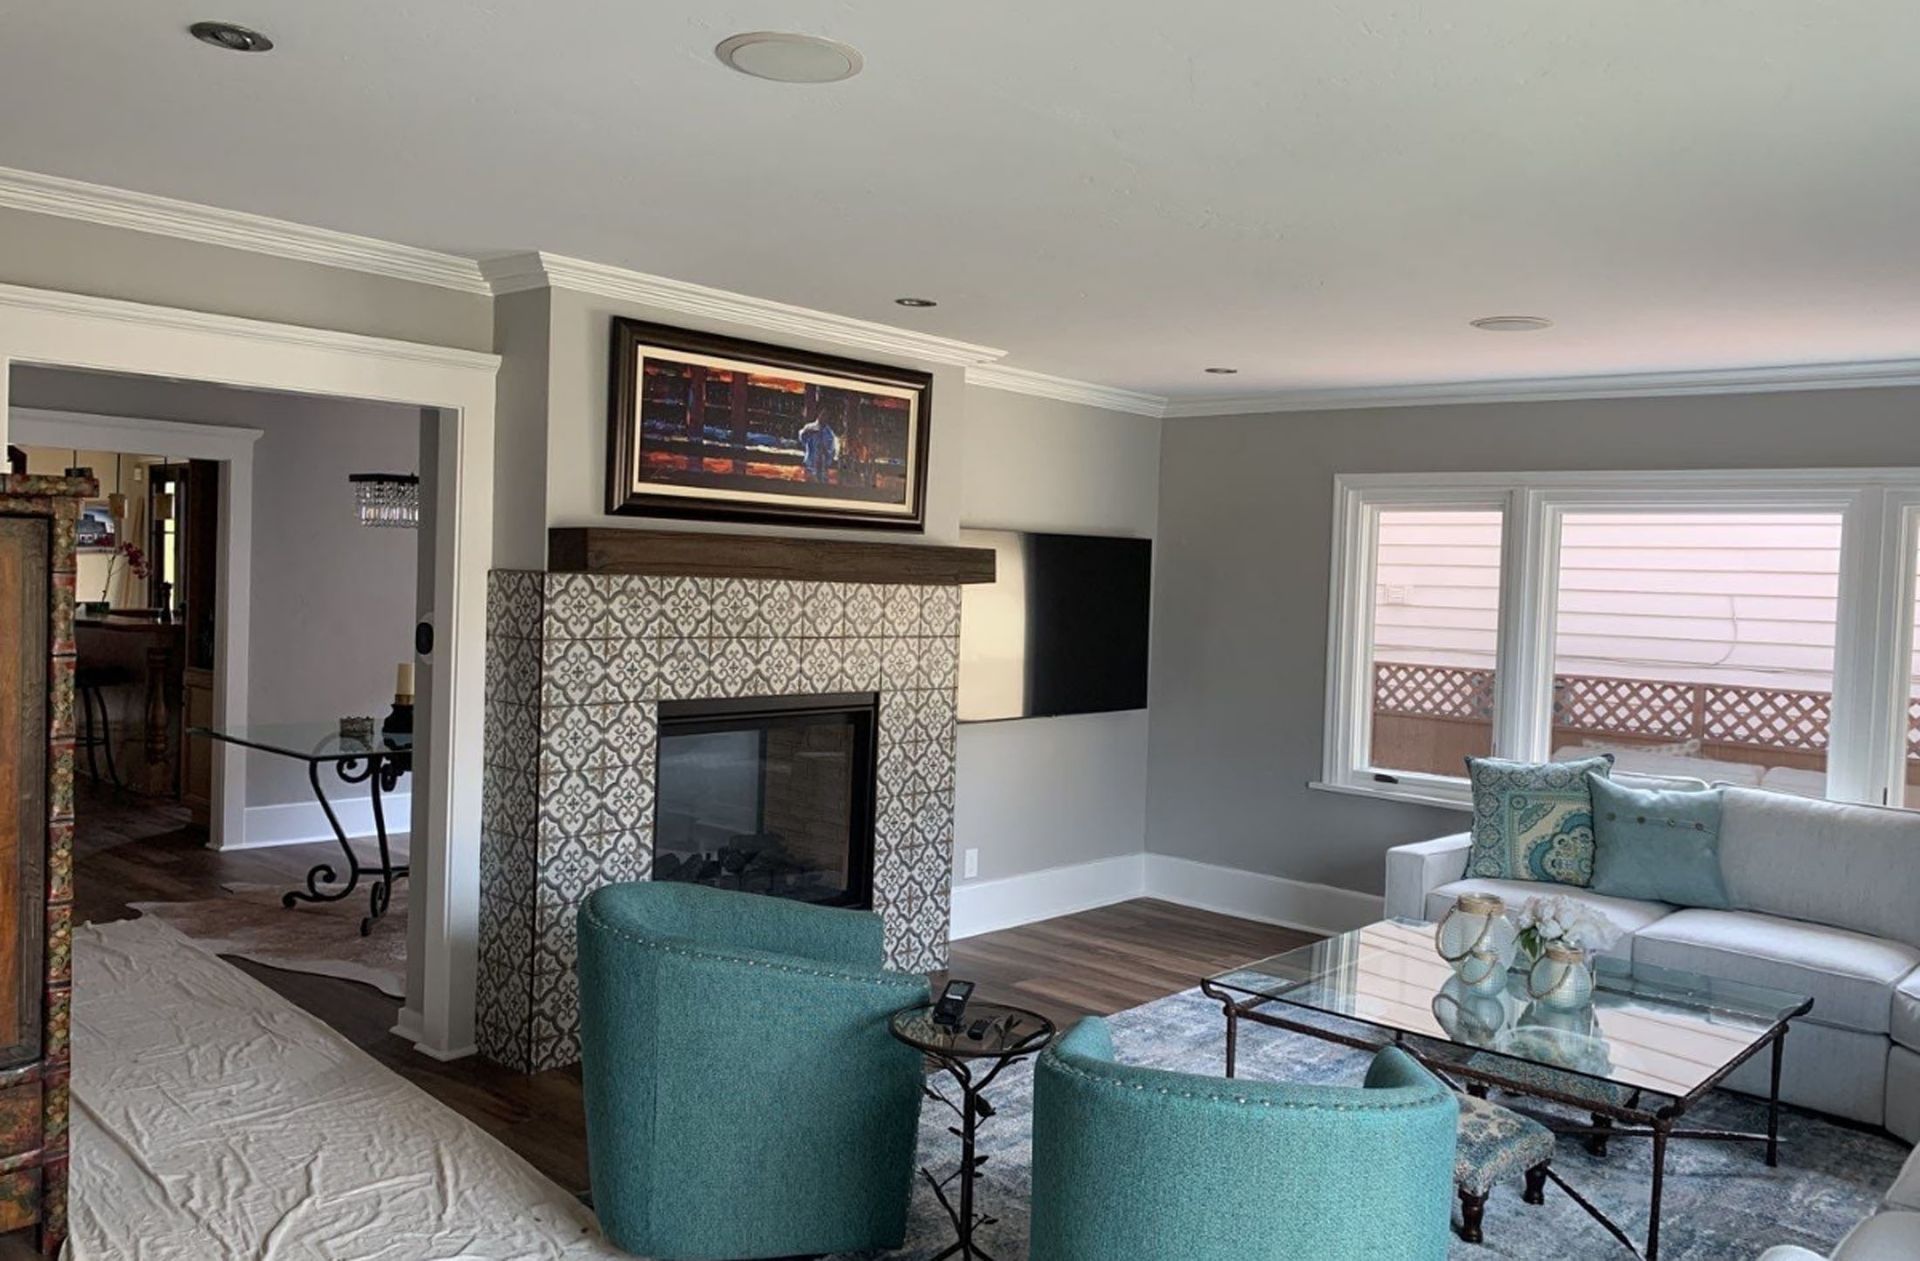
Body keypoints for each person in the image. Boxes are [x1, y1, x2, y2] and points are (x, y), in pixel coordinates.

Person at [798, 407, 839, 484]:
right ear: (819, 414)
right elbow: (802, 440)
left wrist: (827, 453)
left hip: (823, 468)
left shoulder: (829, 433)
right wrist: (808, 433)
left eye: (827, 416)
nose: (824, 417)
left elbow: (832, 450)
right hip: (810, 465)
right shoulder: (810, 427)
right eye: (823, 414)